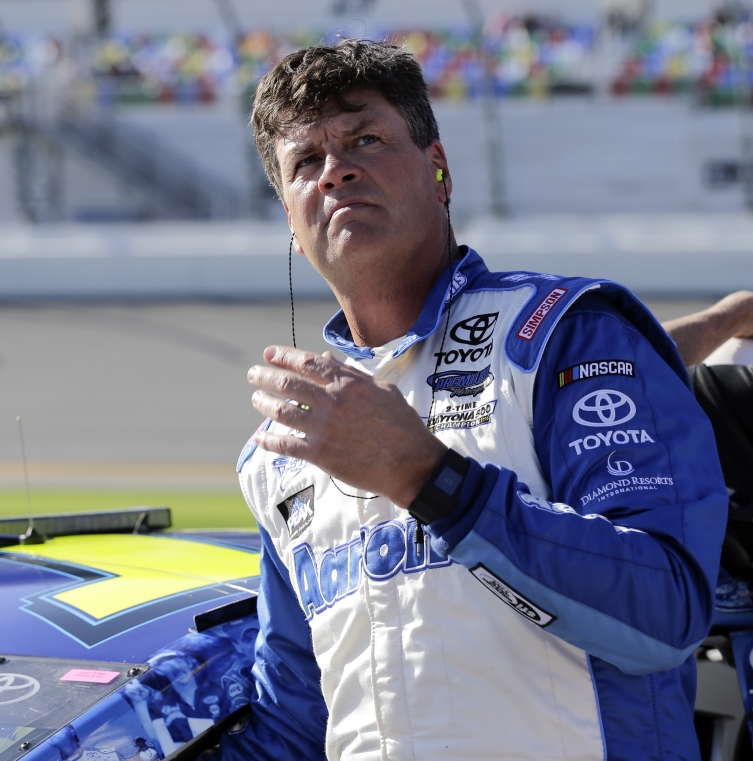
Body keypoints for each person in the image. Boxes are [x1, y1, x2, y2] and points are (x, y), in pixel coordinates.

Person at [210, 39, 729, 760]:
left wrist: (431, 481)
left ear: (439, 169)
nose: (337, 171)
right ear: (292, 231)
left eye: (366, 139)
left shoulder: (562, 335)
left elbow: (664, 615)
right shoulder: (283, 454)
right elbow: (294, 723)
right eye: (306, 161)